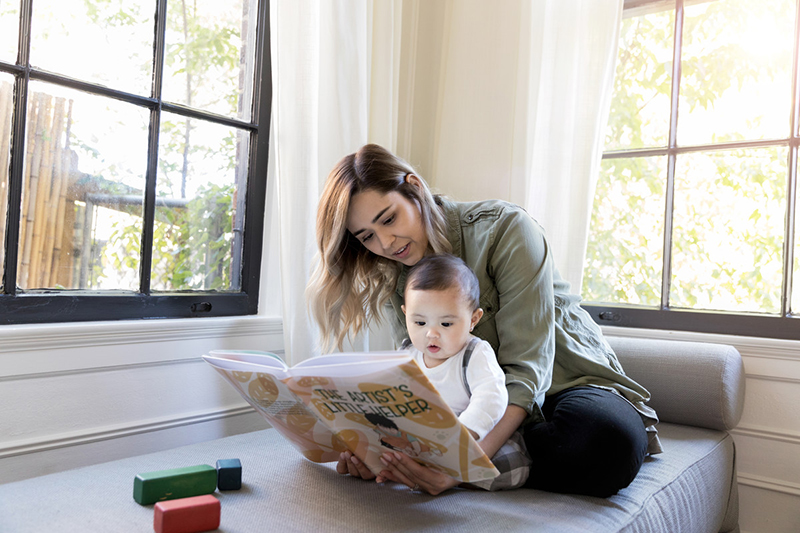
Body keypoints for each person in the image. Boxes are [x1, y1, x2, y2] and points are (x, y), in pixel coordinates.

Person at [306, 143, 661, 497]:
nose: (384, 242)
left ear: (414, 189)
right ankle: (496, 456)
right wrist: (381, 452)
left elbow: (528, 368)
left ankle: (494, 459)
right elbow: (423, 379)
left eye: (388, 218)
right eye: (366, 236)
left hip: (564, 383)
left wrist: (460, 467)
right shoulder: (396, 276)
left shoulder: (505, 229)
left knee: (607, 443)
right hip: (476, 404)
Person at [401, 253, 531, 491]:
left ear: (473, 319)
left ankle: (455, 473)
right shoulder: (407, 354)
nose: (431, 334)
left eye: (446, 324)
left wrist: (464, 433)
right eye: (420, 323)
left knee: (509, 461)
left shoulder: (474, 353)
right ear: (405, 314)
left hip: (472, 435)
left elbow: (491, 397)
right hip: (428, 440)